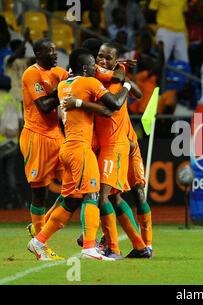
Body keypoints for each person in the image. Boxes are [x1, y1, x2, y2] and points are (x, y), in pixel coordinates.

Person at [27, 48, 130, 261]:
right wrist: (127, 84)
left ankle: (38, 241)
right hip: (81, 149)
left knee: (71, 201)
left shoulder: (64, 85)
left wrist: (82, 103)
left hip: (67, 148)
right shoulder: (89, 83)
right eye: (93, 64)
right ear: (85, 68)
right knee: (92, 195)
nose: (97, 68)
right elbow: (113, 106)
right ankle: (89, 247)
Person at [92, 43, 151, 258]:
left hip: (119, 145)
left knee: (122, 195)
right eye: (100, 56)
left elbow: (117, 104)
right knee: (115, 199)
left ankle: (119, 246)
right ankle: (137, 246)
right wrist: (118, 70)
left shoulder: (116, 79)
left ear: (115, 61)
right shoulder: (101, 77)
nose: (103, 61)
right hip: (109, 146)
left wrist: (122, 76)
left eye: (108, 58)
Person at [20, 38, 69, 260]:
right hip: (36, 137)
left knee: (74, 187)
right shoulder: (32, 74)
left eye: (55, 50)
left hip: (57, 137)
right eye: (49, 50)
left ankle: (37, 230)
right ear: (38, 53)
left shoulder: (60, 72)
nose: (54, 54)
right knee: (39, 193)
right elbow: (44, 105)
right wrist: (61, 89)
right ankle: (41, 246)